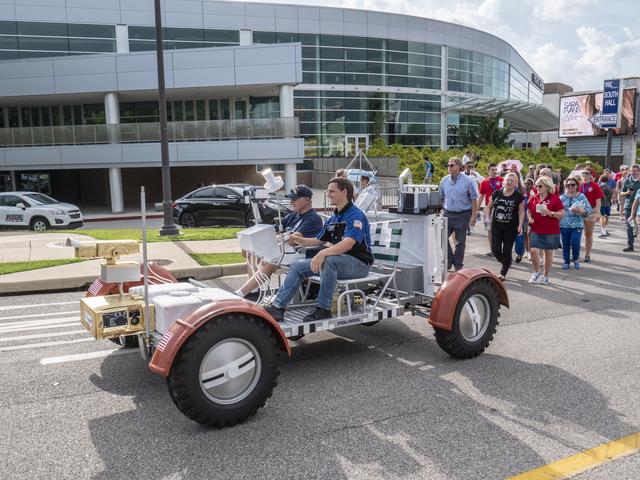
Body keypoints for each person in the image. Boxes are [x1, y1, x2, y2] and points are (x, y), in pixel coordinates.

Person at [265, 177, 372, 322]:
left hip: (359, 264)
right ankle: (277, 308)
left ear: (344, 192)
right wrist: (297, 239)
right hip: (339, 261)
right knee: (297, 266)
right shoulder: (334, 217)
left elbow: (348, 244)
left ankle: (323, 309)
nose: (328, 194)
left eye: (331, 191)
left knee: (327, 261)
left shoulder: (356, 215)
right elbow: (318, 240)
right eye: (328, 191)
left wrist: (322, 253)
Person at [235, 185, 323, 300]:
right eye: (291, 199)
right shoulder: (294, 215)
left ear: (307, 200)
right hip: (286, 251)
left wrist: (277, 238)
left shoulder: (312, 218)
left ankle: (240, 293)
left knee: (271, 261)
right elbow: (274, 230)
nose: (291, 202)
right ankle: (253, 291)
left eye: (295, 199)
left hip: (302, 253)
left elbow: (293, 239)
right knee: (250, 251)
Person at [439, 157, 479, 271]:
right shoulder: (444, 180)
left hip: (463, 215)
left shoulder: (468, 181)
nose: (449, 167)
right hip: (447, 214)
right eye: (448, 165)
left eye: (451, 165)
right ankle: (449, 259)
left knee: (460, 242)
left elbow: (474, 198)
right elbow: (441, 197)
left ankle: (458, 265)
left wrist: (474, 215)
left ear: (459, 167)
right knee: (441, 237)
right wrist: (441, 210)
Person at [484, 172, 524, 280]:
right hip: (497, 226)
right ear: (503, 182)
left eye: (512, 180)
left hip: (511, 228)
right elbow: (488, 207)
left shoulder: (518, 196)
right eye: (508, 180)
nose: (510, 182)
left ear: (516, 183)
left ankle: (503, 272)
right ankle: (507, 262)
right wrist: (487, 217)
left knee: (507, 250)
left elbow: (521, 212)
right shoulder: (496, 193)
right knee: (495, 249)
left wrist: (520, 225)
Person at [527, 176, 564, 285]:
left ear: (547, 187)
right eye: (536, 186)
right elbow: (529, 210)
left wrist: (550, 213)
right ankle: (536, 273)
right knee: (533, 251)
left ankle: (545, 276)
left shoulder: (555, 199)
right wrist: (529, 217)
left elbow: (562, 214)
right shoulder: (534, 198)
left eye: (540, 186)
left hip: (551, 230)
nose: (537, 188)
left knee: (548, 253)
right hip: (536, 228)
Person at [559, 177, 592, 270]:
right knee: (565, 244)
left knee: (575, 243)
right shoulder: (562, 197)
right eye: (568, 185)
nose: (570, 186)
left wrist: (580, 211)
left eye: (572, 184)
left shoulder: (581, 196)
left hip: (577, 225)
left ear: (577, 186)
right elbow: (557, 209)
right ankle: (566, 261)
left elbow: (588, 210)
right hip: (564, 225)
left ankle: (575, 258)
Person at [478, 163, 503, 255]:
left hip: (500, 208)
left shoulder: (502, 180)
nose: (495, 172)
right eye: (492, 170)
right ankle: (493, 250)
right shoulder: (484, 182)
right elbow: (481, 196)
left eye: (496, 170)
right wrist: (476, 209)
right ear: (488, 171)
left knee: (500, 230)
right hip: (488, 209)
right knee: (490, 229)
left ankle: (500, 249)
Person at [578, 170, 603, 262]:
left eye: (587, 174)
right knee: (576, 233)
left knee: (588, 233)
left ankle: (587, 254)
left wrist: (597, 213)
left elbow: (598, 201)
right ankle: (576, 254)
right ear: (581, 176)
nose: (585, 175)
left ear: (590, 175)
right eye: (583, 174)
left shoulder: (594, 185)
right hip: (578, 212)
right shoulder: (578, 185)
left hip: (590, 211)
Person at [621, 164, 640, 252]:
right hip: (628, 206)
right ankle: (630, 245)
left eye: (635, 171)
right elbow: (621, 193)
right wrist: (627, 193)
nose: (633, 172)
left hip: (639, 207)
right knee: (629, 227)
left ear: (638, 171)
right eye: (632, 171)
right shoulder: (627, 180)